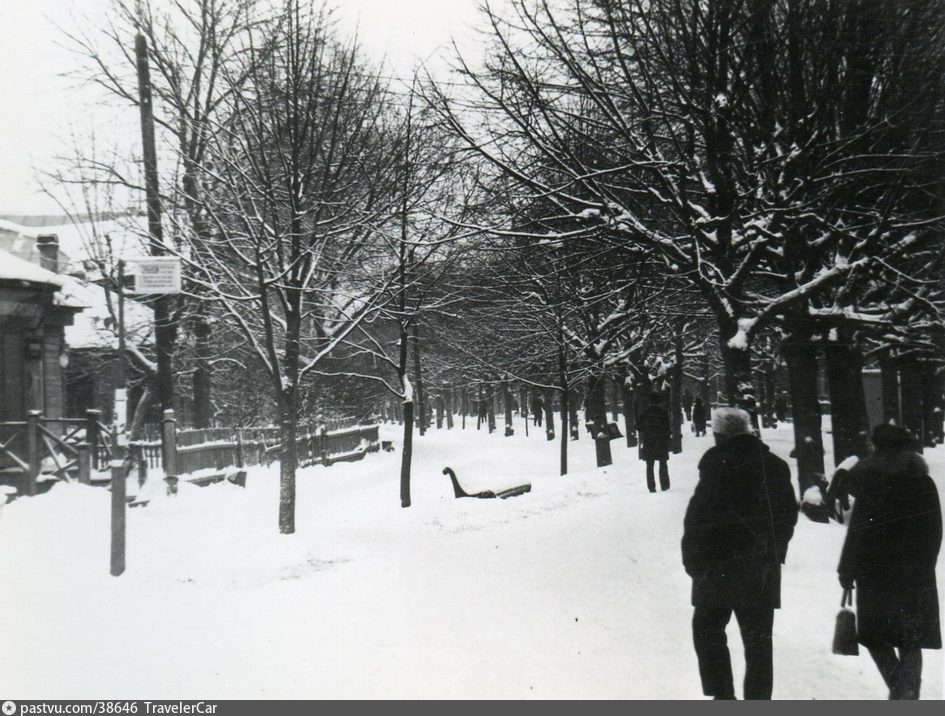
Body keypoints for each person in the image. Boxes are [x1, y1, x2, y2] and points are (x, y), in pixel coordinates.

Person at [682, 407, 798, 700]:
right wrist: (775, 550)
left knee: (707, 629)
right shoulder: (774, 465)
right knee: (759, 641)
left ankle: (723, 696)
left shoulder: (715, 464)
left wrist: (693, 560)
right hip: (759, 567)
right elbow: (787, 515)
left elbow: (697, 518)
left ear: (720, 435)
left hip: (715, 565)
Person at [837, 424, 942, 700]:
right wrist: (924, 565)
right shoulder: (922, 481)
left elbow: (858, 530)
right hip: (914, 575)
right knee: (910, 639)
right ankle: (906, 692)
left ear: (877, 447)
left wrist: (847, 570)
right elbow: (935, 529)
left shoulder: (871, 481)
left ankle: (900, 689)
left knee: (874, 636)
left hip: (875, 575)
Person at [637, 391, 672, 492]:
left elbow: (638, 426)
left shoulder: (645, 412)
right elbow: (667, 427)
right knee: (663, 463)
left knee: (649, 464)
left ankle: (651, 486)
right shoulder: (663, 412)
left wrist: (647, 429)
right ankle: (664, 484)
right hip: (661, 440)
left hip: (649, 441)